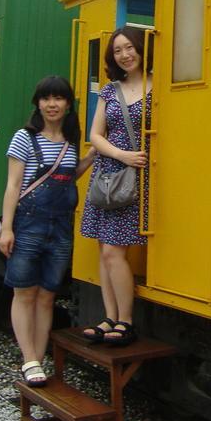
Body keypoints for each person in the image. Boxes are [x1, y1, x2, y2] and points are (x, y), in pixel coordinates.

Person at [0, 75, 95, 386]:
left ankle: (37, 362)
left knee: (47, 297)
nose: (52, 104)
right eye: (46, 99)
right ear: (37, 104)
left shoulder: (70, 140)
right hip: (28, 223)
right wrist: (7, 228)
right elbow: (13, 185)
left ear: (68, 104)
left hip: (61, 226)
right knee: (24, 293)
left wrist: (91, 156)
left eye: (58, 99)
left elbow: (70, 176)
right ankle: (28, 358)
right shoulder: (24, 138)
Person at [80, 26, 152, 347]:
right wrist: (122, 154)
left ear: (141, 48)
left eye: (129, 48)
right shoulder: (110, 90)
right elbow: (95, 135)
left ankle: (126, 321)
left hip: (136, 179)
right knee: (103, 249)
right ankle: (110, 317)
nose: (124, 55)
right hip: (110, 171)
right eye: (118, 50)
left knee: (113, 250)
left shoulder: (159, 87)